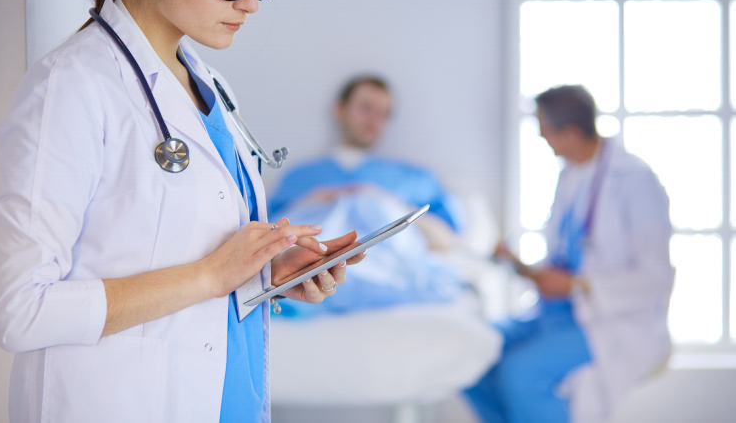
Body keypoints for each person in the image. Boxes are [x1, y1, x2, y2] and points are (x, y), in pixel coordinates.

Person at [0, 0, 367, 422]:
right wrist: (211, 275)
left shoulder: (206, 83)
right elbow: (22, 312)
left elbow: (177, 253)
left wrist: (262, 275)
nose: (251, 3)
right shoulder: (70, 88)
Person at [464, 85, 674, 423]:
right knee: (471, 352)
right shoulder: (572, 174)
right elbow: (568, 256)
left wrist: (580, 285)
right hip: (558, 313)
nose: (542, 138)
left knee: (520, 375)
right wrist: (521, 265)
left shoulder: (635, 180)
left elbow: (655, 277)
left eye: (544, 130)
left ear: (572, 133)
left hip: (610, 321)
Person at [269, 75, 466, 252]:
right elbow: (267, 234)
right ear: (340, 110)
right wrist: (315, 201)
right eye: (366, 108)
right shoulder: (298, 177)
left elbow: (449, 241)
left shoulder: (414, 178)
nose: (374, 120)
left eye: (384, 114)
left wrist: (387, 204)